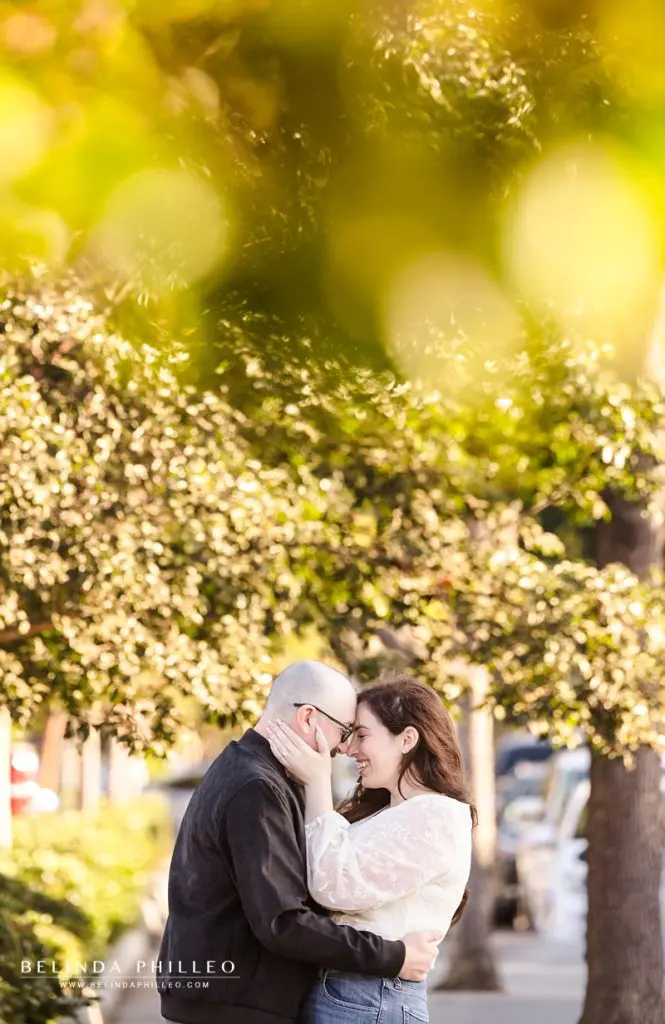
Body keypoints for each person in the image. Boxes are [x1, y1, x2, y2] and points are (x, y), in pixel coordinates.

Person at [157, 661, 443, 1024]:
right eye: (343, 731)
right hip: (234, 1007)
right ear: (308, 718)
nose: (343, 748)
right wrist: (394, 956)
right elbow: (283, 923)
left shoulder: (247, 770)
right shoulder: (256, 788)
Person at [265, 674, 474, 1024]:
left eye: (361, 735)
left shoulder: (436, 815)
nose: (348, 749)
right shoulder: (390, 813)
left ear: (407, 739)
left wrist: (318, 784)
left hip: (369, 996)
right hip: (353, 991)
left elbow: (334, 886)